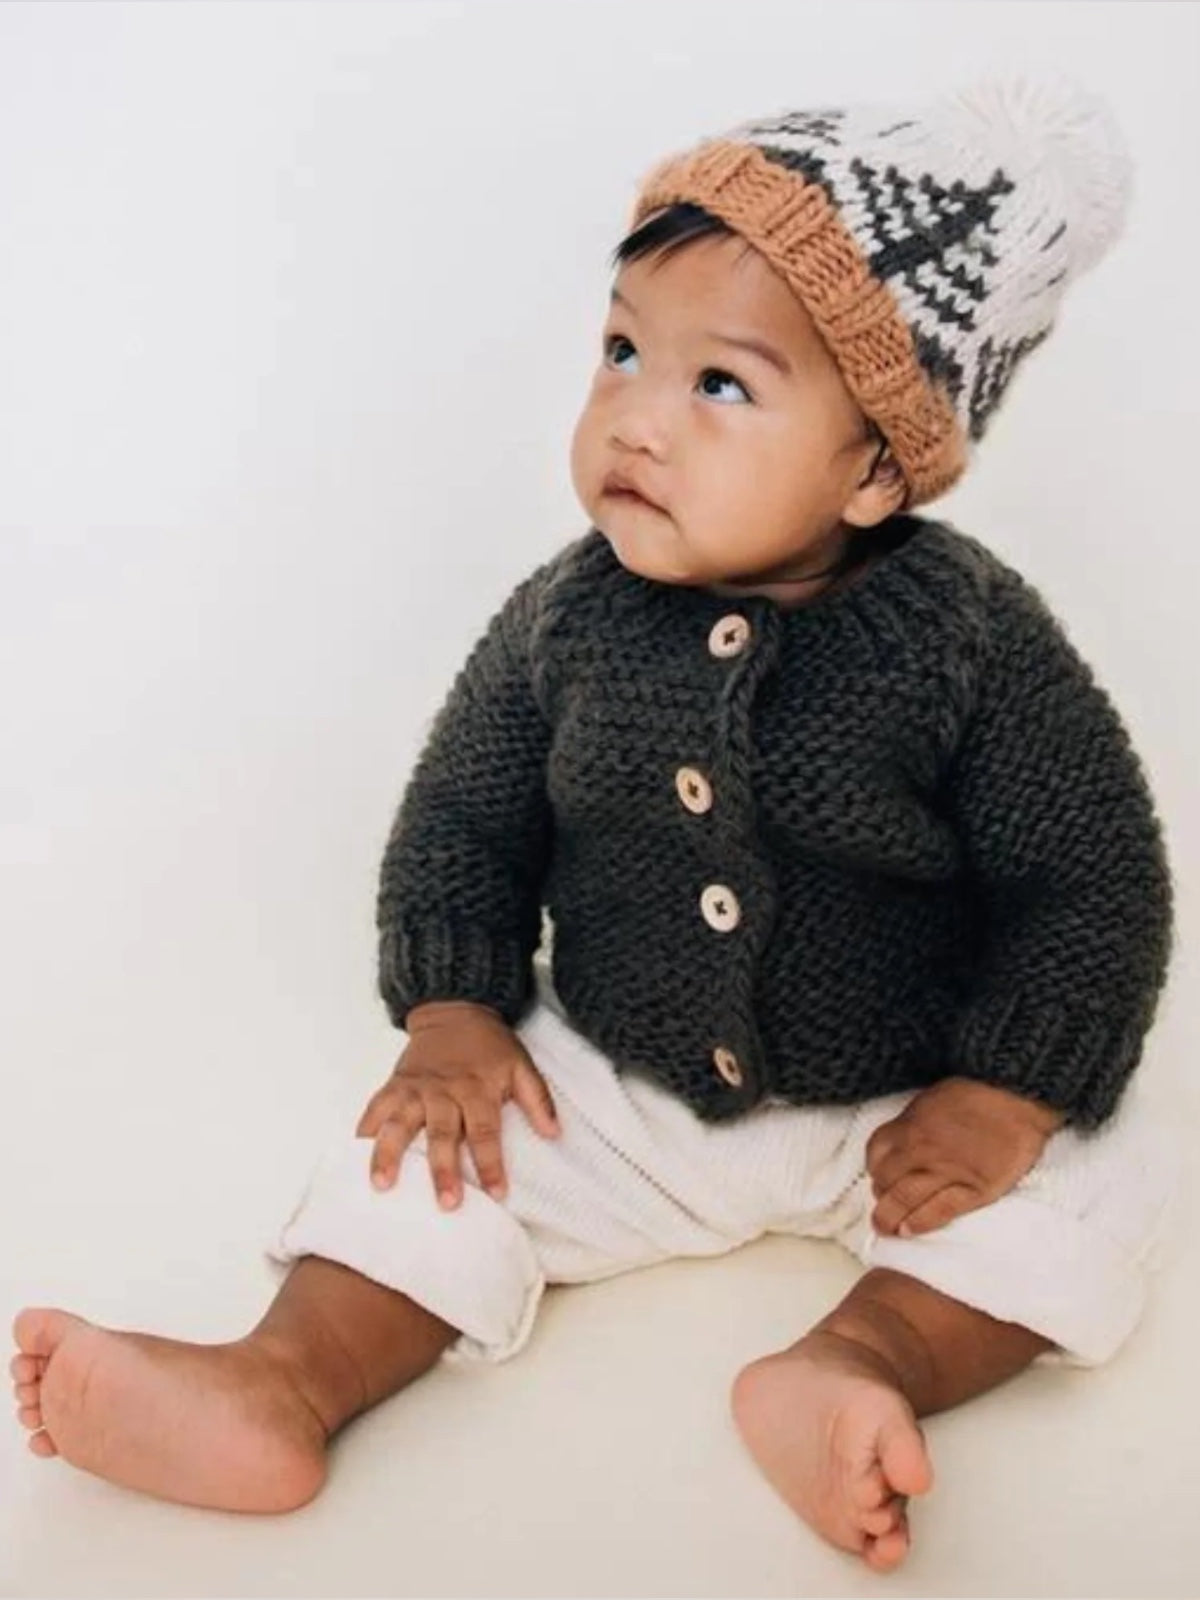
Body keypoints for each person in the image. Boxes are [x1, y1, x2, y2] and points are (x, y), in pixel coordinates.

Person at [10, 74, 1180, 1575]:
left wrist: (1011, 1090)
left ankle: (864, 1361)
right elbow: (464, 814)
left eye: (721, 386)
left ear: (881, 461)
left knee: (1101, 1183)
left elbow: (1091, 877)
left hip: (908, 1100)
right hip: (611, 1079)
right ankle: (280, 1378)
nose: (636, 415)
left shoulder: (965, 643)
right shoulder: (572, 618)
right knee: (422, 1164)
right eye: (623, 350)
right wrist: (453, 1014)